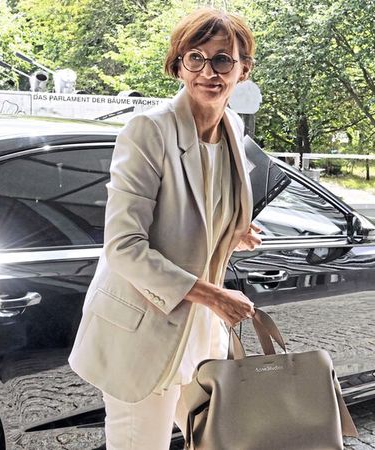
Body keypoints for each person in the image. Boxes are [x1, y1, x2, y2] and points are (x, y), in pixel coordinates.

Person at [68, 7, 261, 450]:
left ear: (243, 70)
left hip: (202, 333)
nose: (208, 71)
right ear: (178, 65)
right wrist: (214, 294)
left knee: (218, 441)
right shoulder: (148, 131)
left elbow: (196, 213)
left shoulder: (231, 128)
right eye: (196, 57)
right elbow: (123, 247)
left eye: (222, 60)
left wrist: (232, 229)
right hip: (143, 333)